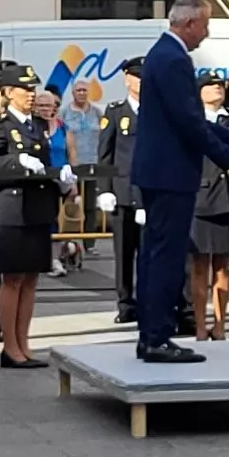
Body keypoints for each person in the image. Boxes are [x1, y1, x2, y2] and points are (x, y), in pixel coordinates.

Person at [130, 0, 229, 363]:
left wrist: (227, 135)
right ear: (189, 23)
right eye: (205, 25)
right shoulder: (173, 59)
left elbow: (187, 116)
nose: (205, 35)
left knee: (155, 255)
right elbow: (187, 122)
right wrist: (228, 157)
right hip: (170, 172)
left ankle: (150, 335)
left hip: (160, 171)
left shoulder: (163, 55)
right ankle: (158, 336)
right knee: (167, 257)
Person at [0, 63, 65, 368]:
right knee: (12, 279)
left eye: (33, 89)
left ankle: (24, 342)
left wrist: (59, 178)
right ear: (8, 93)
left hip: (37, 207)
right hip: (11, 210)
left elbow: (44, 163)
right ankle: (10, 346)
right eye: (25, 90)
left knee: (31, 279)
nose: (30, 95)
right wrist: (17, 160)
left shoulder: (36, 126)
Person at [187, 71, 229, 339]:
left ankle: (220, 324)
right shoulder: (194, 121)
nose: (216, 89)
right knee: (199, 265)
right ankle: (200, 325)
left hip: (227, 196)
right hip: (200, 197)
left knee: (223, 266)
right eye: (209, 86)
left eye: (219, 85)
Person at [91, 60, 141, 323]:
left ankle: (147, 301)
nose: (142, 83)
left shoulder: (158, 111)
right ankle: (125, 303)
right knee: (124, 253)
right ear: (126, 79)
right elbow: (106, 154)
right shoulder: (115, 112)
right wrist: (104, 188)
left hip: (150, 194)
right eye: (137, 77)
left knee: (149, 254)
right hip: (123, 193)